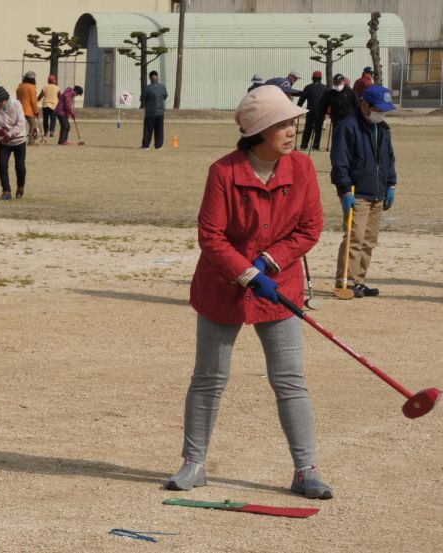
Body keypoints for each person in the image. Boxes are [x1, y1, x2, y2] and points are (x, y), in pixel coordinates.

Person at [167, 84, 332, 500]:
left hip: (280, 288)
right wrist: (246, 271)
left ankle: (305, 468)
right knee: (208, 379)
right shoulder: (224, 171)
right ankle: (194, 463)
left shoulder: (304, 169)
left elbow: (309, 229)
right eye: (283, 123)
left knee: (290, 380)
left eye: (293, 122)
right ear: (259, 130)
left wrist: (271, 261)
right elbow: (211, 236)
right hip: (223, 287)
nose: (293, 129)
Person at [330, 85, 397, 298]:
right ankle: (345, 282)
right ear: (364, 104)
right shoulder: (347, 127)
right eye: (377, 108)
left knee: (369, 240)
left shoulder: (383, 128)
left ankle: (359, 281)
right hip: (355, 192)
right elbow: (339, 162)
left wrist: (391, 184)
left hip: (378, 192)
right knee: (354, 238)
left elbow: (389, 159)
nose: (381, 113)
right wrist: (344, 190)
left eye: (384, 109)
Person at [0, 86, 27, 199]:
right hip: (4, 142)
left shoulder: (16, 105)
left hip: (18, 140)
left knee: (20, 167)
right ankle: (6, 191)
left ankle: (20, 187)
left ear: (5, 100)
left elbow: (21, 123)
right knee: (2, 165)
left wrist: (9, 134)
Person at [297, 70, 328, 150]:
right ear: (321, 78)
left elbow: (301, 100)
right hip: (320, 112)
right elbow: (328, 101)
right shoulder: (325, 88)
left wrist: (298, 109)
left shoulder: (308, 87)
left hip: (310, 111)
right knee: (318, 129)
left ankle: (304, 145)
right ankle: (315, 146)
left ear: (312, 78)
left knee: (308, 128)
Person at [140, 70, 168, 150]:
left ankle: (146, 145)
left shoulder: (147, 88)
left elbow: (142, 99)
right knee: (159, 129)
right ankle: (159, 145)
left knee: (148, 129)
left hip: (150, 113)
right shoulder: (162, 87)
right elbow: (165, 96)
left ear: (150, 78)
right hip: (160, 112)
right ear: (157, 77)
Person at [16, 71, 40, 144]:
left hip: (19, 108)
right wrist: (36, 111)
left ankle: (18, 140)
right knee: (33, 124)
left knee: (20, 125)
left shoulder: (20, 86)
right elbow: (34, 100)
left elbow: (17, 96)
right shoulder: (32, 87)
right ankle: (31, 140)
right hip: (28, 110)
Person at [37, 74, 60, 140]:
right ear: (54, 81)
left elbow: (41, 95)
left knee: (45, 120)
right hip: (54, 105)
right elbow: (59, 96)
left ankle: (46, 132)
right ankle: (51, 131)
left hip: (45, 105)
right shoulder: (57, 87)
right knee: (53, 119)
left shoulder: (45, 87)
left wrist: (36, 101)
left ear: (48, 80)